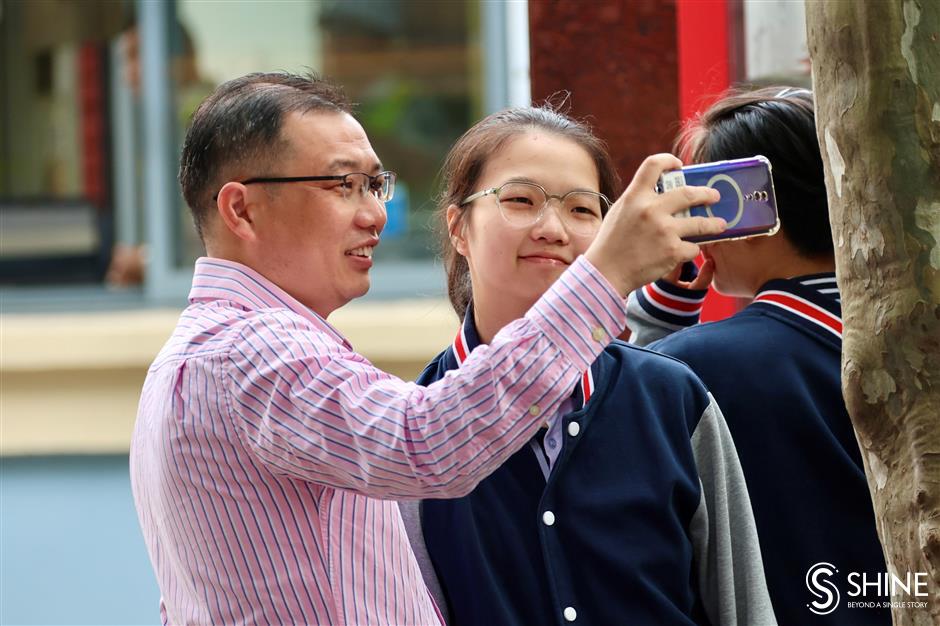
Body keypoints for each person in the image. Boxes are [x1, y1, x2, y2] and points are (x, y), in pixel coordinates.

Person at [128, 71, 727, 625]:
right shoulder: (252, 350)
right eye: (343, 185)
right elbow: (428, 442)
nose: (374, 215)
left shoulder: (211, 353)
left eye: (375, 185)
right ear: (241, 208)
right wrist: (606, 274)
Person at [400, 105, 775, 626]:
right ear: (459, 228)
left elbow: (741, 604)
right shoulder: (413, 433)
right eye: (520, 200)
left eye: (582, 210)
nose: (552, 228)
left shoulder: (673, 398)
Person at [627, 87, 889, 625]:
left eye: (699, 195)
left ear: (742, 203)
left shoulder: (694, 368)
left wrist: (653, 318)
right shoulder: (912, 337)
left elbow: (615, 422)